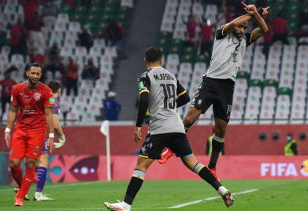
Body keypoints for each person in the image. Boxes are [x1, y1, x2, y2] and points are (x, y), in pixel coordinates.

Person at [103, 47, 234, 211]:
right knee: (193, 163)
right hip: (178, 127)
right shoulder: (171, 76)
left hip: (159, 128)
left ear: (145, 61)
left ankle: (126, 205)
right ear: (161, 60)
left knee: (141, 166)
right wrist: (170, 106)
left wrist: (138, 125)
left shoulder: (145, 76)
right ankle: (221, 189)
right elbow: (185, 97)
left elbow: (143, 99)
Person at [158, 3, 269, 181]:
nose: (242, 29)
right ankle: (170, 149)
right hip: (211, 82)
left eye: (244, 28)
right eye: (241, 25)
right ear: (235, 22)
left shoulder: (245, 40)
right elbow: (233, 25)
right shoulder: (221, 33)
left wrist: (256, 14)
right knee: (189, 118)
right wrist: (252, 14)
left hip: (227, 87)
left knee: (221, 129)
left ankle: (212, 167)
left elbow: (264, 29)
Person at [5, 63, 55, 206]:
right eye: (32, 73)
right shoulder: (17, 89)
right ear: (27, 73)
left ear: (40, 75)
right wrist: (8, 130)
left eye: (38, 74)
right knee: (14, 164)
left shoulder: (46, 91)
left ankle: (20, 198)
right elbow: (13, 111)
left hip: (37, 131)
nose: (35, 76)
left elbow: (49, 115)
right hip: (20, 130)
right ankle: (22, 188)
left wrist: (51, 136)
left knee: (31, 163)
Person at [33, 80, 66, 201]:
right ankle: (38, 194)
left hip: (27, 132)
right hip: (38, 133)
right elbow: (56, 124)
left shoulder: (40, 99)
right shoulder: (53, 101)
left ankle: (21, 188)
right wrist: (62, 137)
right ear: (59, 90)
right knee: (43, 163)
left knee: (34, 163)